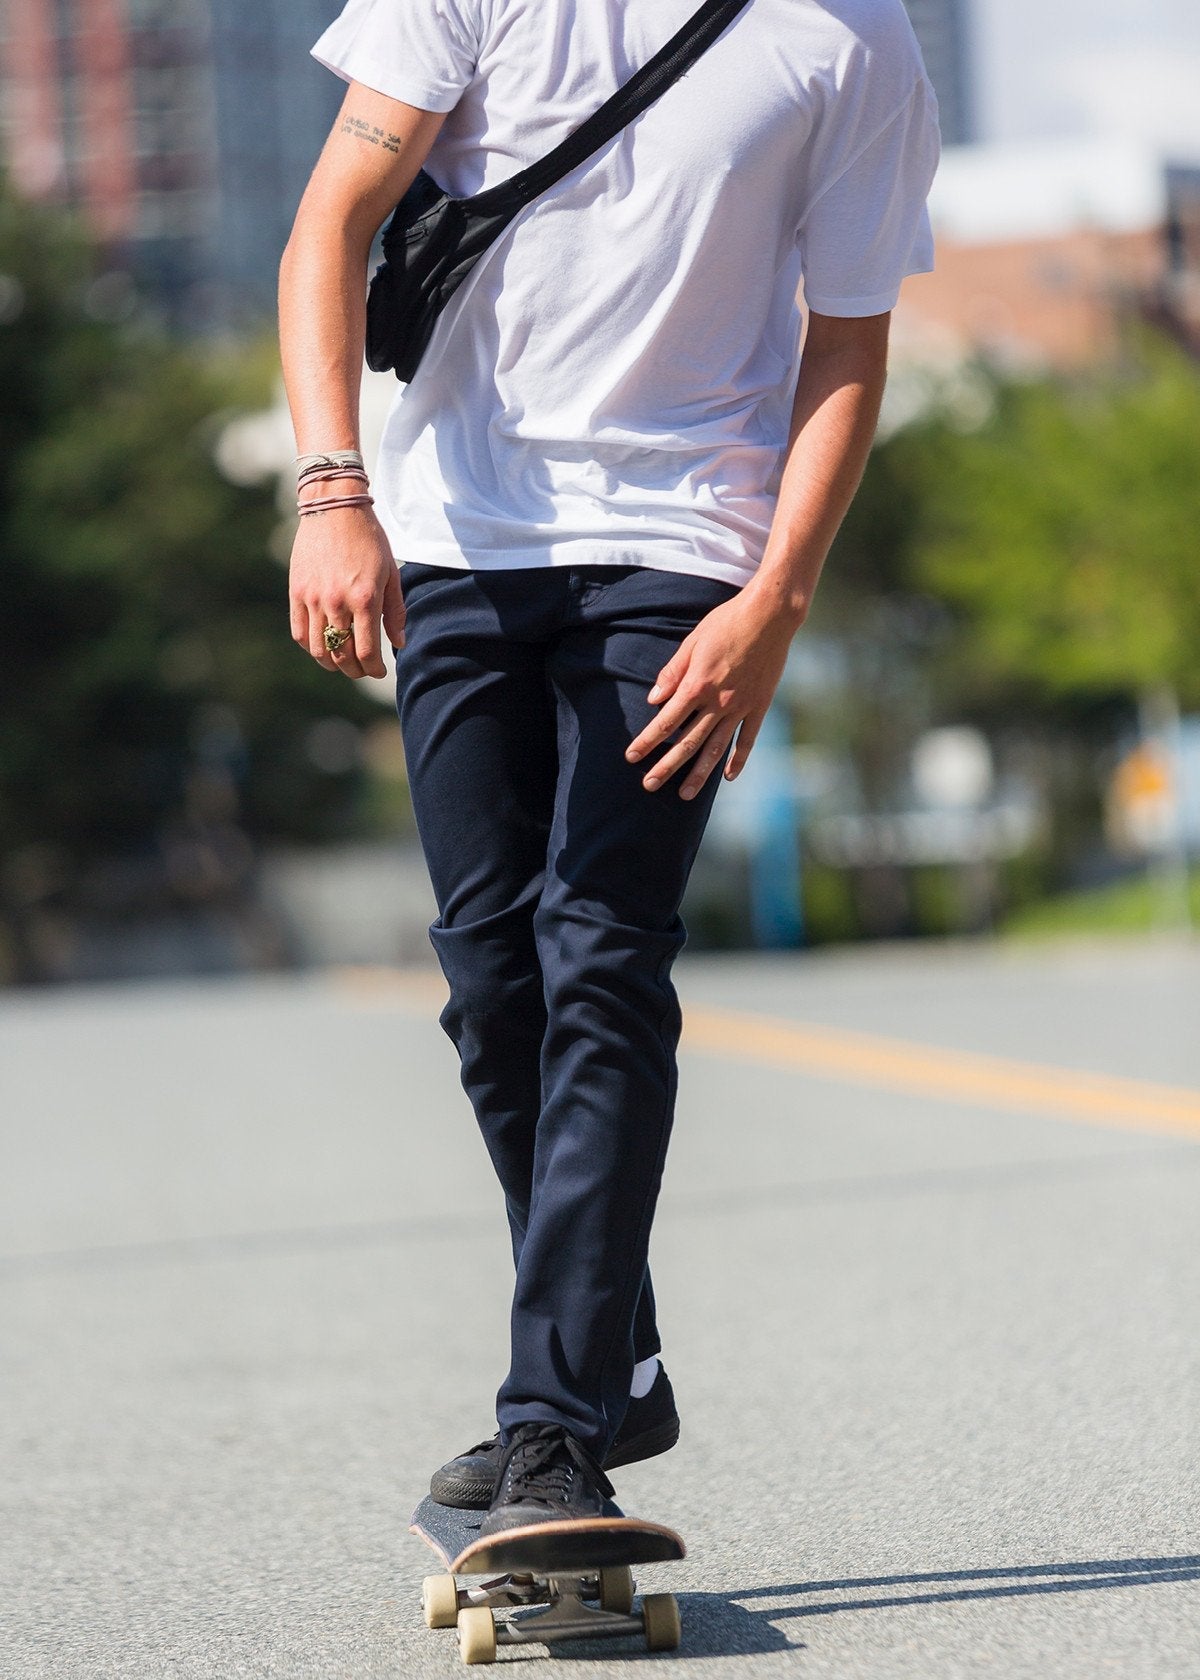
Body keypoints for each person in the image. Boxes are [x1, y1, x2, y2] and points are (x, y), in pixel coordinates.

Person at [279, 0, 939, 1536]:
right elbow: (334, 218)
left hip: (682, 552)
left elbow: (848, 342)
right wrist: (331, 489)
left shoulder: (858, 41)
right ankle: (614, 1360)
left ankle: (553, 1424)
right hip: (455, 539)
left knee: (603, 955)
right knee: (493, 978)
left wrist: (774, 603)